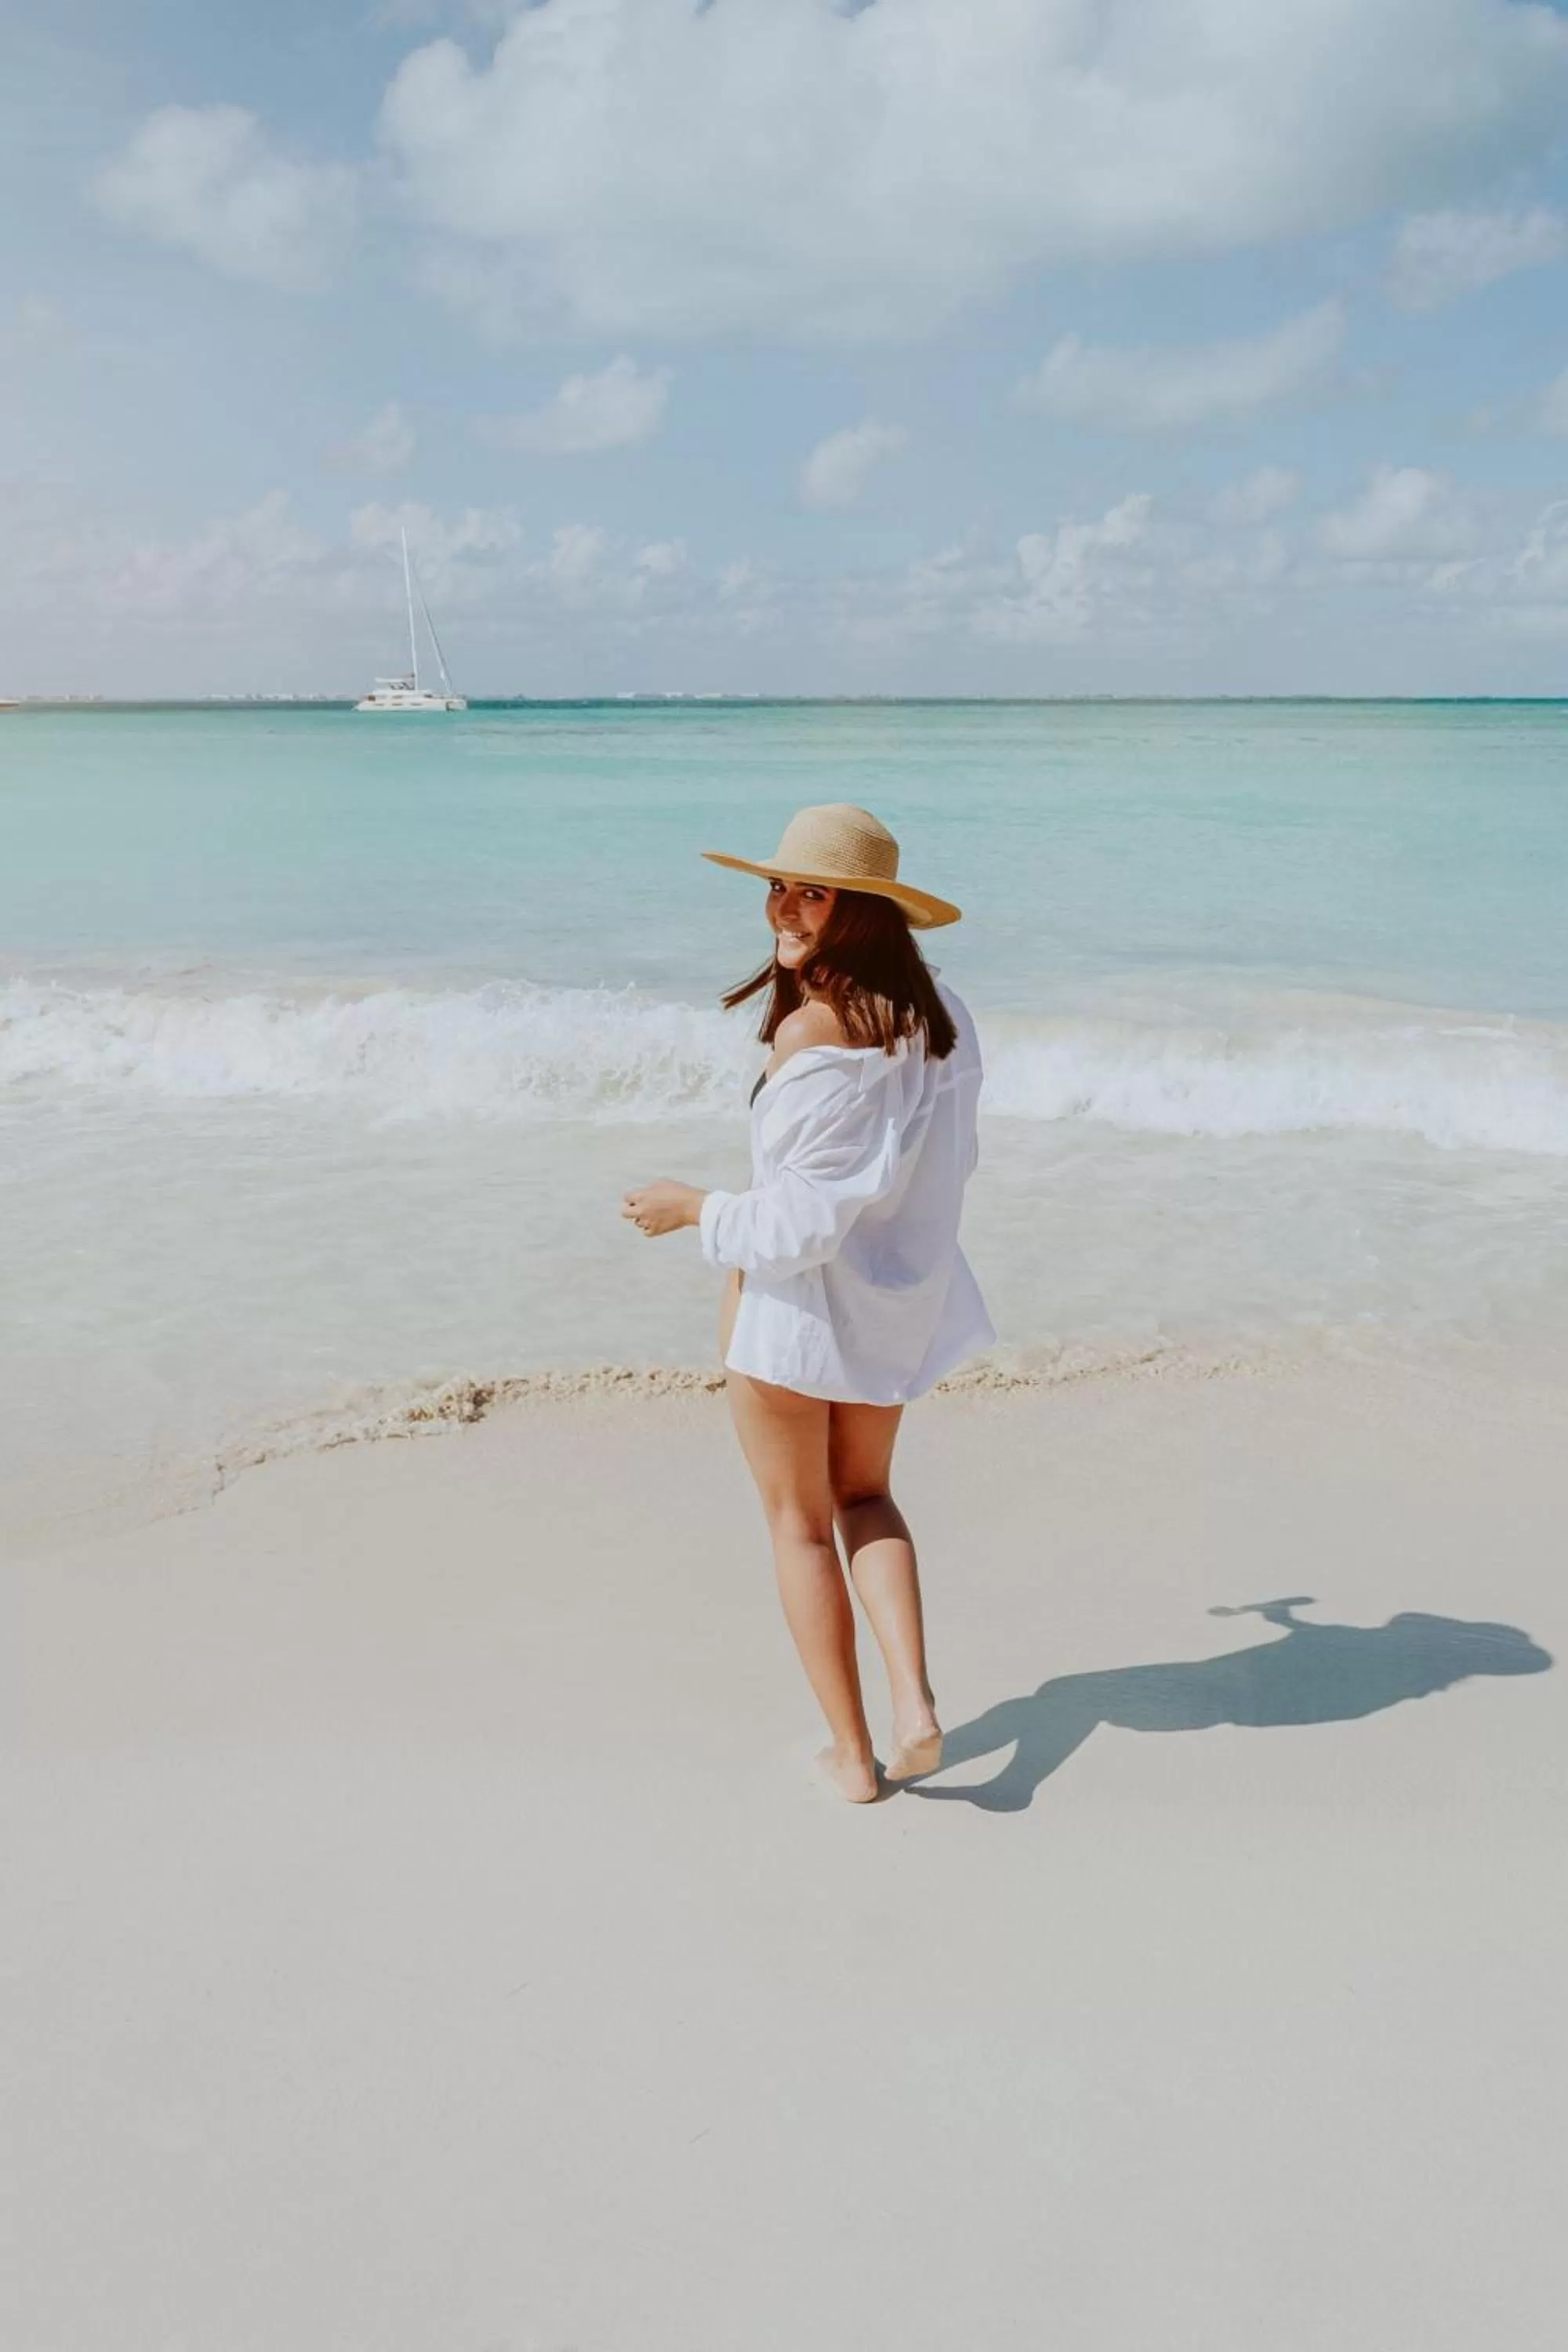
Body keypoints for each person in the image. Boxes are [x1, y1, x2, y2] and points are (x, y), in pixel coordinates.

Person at [622, 804, 993, 1803]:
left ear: (864, 911)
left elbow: (794, 1228)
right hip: (892, 1309)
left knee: (797, 1525)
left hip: (793, 1321)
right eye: (778, 886)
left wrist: (690, 1209)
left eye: (811, 892)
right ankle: (912, 1703)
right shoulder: (940, 1021)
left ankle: (852, 1754)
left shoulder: (818, 1034)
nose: (783, 907)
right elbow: (947, 1167)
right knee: (866, 1498)